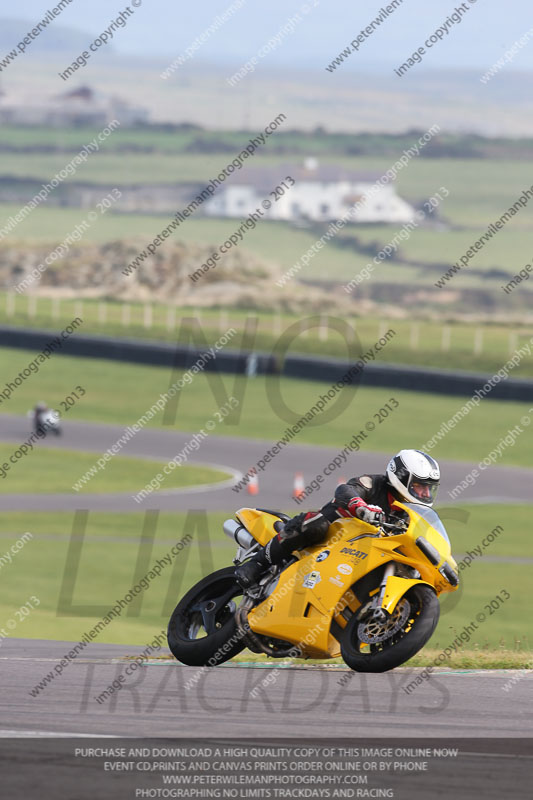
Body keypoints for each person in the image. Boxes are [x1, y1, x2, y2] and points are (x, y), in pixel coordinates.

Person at [235, 449, 440, 590]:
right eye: (420, 485)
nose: (424, 492)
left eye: (428, 488)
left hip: (359, 553)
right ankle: (257, 564)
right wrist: (361, 507)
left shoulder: (409, 512)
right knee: (316, 525)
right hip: (331, 534)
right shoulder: (373, 483)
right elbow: (346, 489)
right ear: (402, 477)